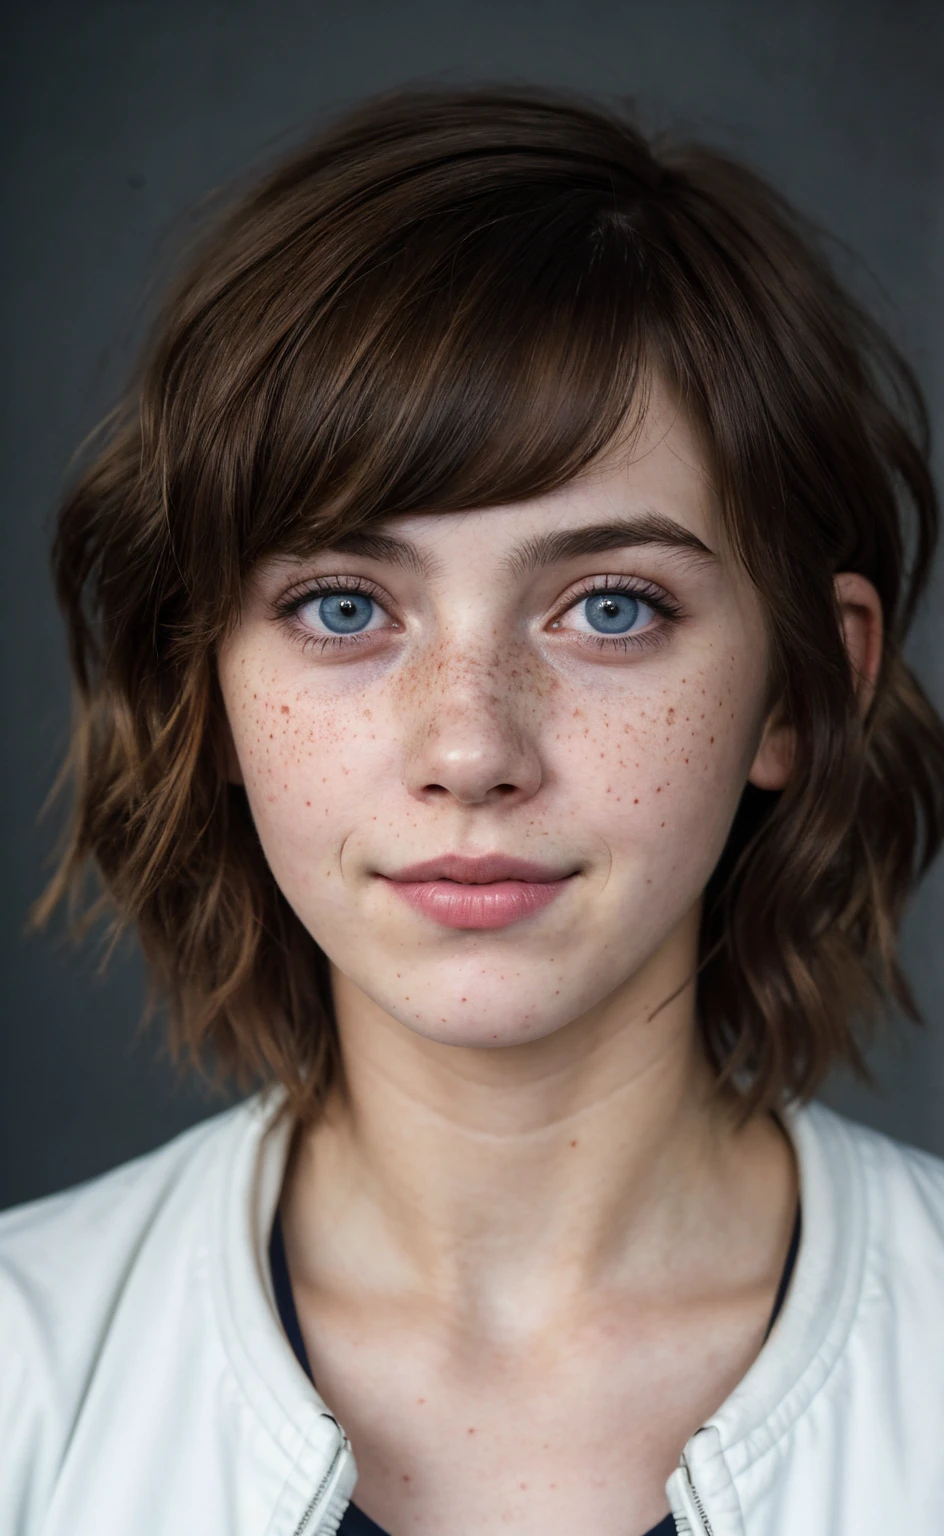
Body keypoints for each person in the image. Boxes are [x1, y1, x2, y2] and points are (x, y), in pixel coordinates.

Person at [2, 85, 944, 1536]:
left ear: (800, 695)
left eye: (610, 608)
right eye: (340, 605)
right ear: (207, 688)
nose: (469, 749)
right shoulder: (22, 1373)